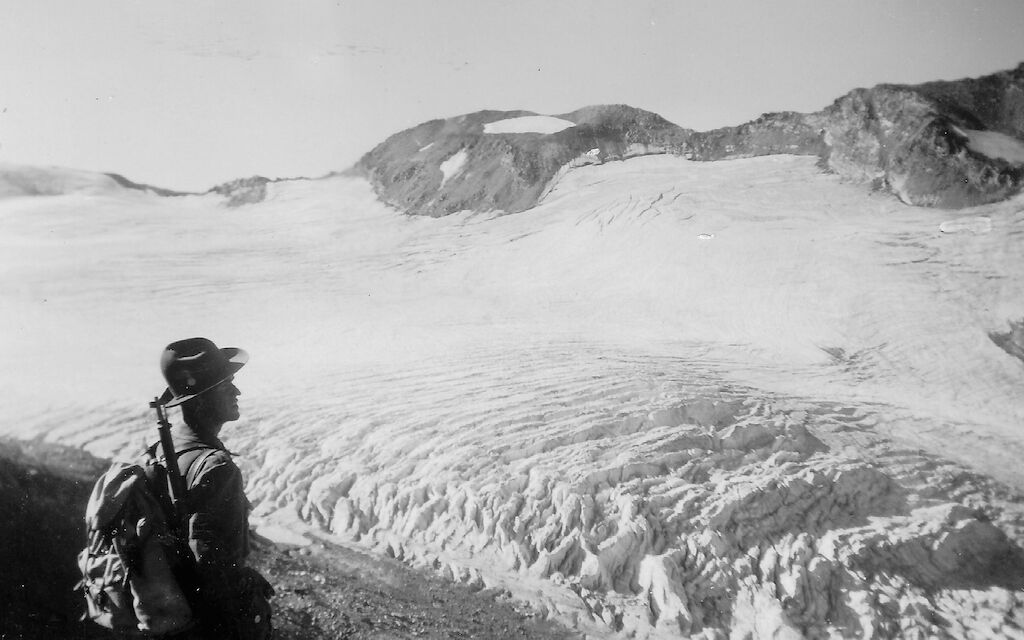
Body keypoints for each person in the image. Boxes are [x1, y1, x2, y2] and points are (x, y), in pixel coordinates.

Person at [158, 337, 274, 640]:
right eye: (226, 385)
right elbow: (209, 562)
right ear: (201, 398)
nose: (237, 391)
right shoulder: (216, 467)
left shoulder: (163, 450)